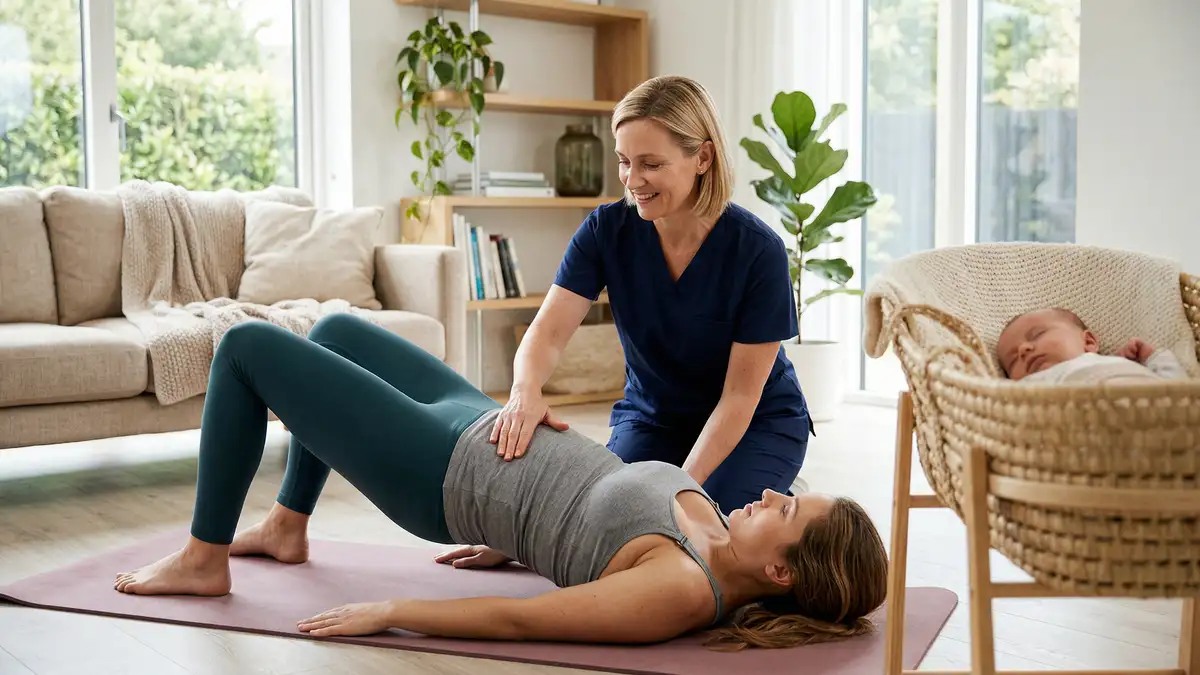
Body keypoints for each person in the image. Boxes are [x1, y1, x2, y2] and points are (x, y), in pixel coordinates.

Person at [113, 314, 888, 651]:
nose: (771, 493)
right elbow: (590, 527)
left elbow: (529, 621)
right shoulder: (720, 534)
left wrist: (396, 611)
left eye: (786, 508)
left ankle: (205, 557)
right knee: (335, 332)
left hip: (440, 470)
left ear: (780, 571)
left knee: (246, 347)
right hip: (486, 420)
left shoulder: (682, 590)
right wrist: (522, 543)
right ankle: (288, 524)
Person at [490, 75, 813, 515]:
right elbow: (547, 332)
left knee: (703, 527)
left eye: (651, 164)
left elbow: (739, 398)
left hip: (754, 423)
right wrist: (524, 390)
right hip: (653, 418)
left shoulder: (759, 251)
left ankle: (766, 485)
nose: (632, 179)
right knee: (605, 513)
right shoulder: (606, 231)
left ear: (703, 158)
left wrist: (677, 490)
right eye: (624, 161)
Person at [996, 307, 1189, 383]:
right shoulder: (1029, 388)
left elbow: (1180, 389)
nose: (1023, 349)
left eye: (1037, 334)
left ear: (1088, 342)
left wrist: (1154, 357)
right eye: (1013, 361)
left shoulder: (1121, 366)